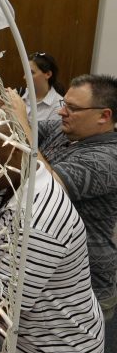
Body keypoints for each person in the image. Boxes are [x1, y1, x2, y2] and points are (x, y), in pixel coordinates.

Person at [0, 122, 104, 353]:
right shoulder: (22, 177)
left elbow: (4, 307)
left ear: (17, 153)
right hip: (31, 338)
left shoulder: (36, 222)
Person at [11, 74, 117, 320]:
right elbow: (23, 127)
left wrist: (20, 120)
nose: (62, 112)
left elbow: (46, 187)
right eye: (64, 104)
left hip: (85, 285)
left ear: (104, 116)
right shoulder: (67, 131)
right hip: (53, 268)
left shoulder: (108, 158)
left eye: (73, 108)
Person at [20, 52, 64, 122]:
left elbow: (49, 133)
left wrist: (19, 115)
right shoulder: (19, 94)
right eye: (25, 72)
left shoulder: (58, 107)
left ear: (48, 74)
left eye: (31, 72)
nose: (25, 77)